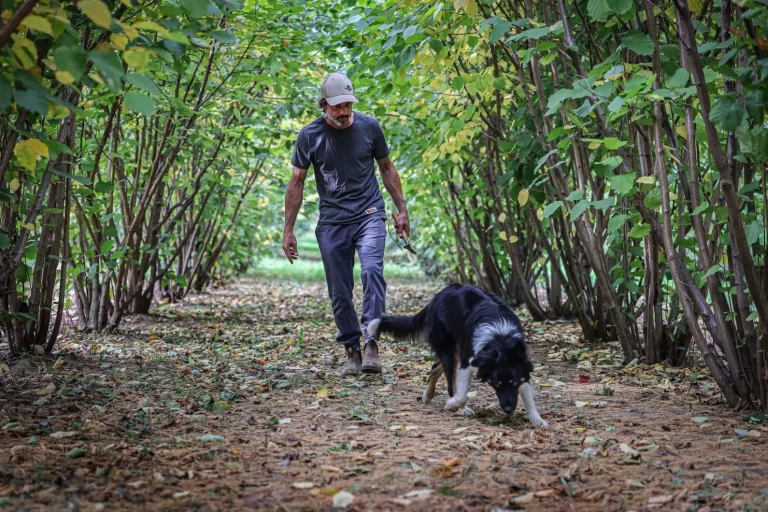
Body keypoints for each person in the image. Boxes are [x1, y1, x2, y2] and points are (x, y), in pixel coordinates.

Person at [282, 72, 410, 377]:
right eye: (337, 106)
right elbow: (297, 182)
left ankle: (372, 343)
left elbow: (386, 167)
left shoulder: (369, 127)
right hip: (332, 221)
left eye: (348, 105)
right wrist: (288, 229)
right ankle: (351, 349)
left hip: (369, 214)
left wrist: (401, 209)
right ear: (324, 104)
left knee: (372, 270)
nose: (343, 112)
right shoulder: (309, 135)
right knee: (339, 290)